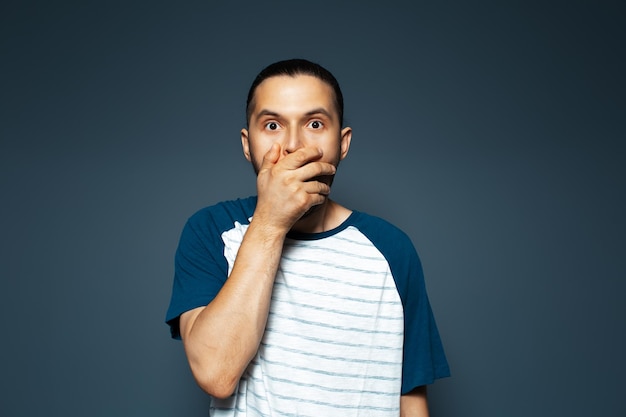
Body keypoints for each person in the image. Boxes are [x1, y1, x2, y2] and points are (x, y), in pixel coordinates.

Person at [165, 58, 450, 416]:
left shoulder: (391, 248)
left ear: (342, 143)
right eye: (272, 125)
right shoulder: (210, 231)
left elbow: (410, 399)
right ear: (247, 144)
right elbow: (216, 373)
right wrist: (270, 221)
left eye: (315, 123)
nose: (294, 146)